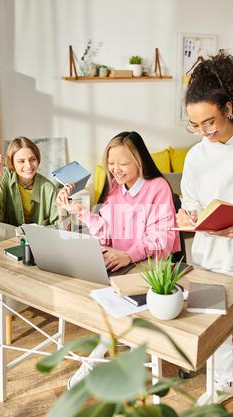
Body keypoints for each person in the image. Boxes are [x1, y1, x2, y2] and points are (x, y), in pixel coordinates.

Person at [176, 50, 233, 417]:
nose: (203, 132)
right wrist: (188, 214)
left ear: (229, 108)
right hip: (209, 260)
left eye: (209, 122)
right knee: (213, 334)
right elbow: (191, 200)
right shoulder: (196, 156)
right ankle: (220, 384)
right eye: (195, 125)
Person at [57, 131, 181, 387]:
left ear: (140, 161)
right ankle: (105, 348)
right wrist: (78, 211)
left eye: (123, 164)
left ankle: (91, 363)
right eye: (111, 164)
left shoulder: (157, 187)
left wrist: (128, 255)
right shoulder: (115, 188)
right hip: (118, 264)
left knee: (112, 304)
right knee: (77, 286)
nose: (116, 170)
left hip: (150, 268)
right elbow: (106, 230)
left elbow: (162, 237)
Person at [0, 137, 58, 226]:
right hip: (9, 239)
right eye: (21, 161)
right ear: (12, 163)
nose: (28, 165)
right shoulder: (5, 176)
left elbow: (60, 225)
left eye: (32, 159)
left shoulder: (49, 189)